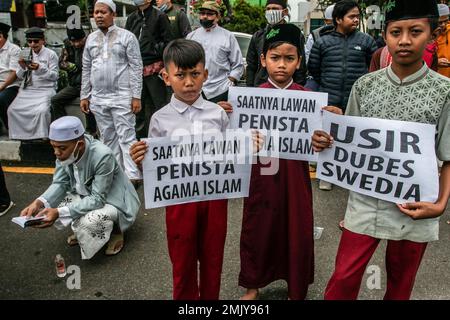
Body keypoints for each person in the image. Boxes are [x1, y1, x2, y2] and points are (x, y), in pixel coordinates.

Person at [312, 0, 450, 300]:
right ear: (384, 36)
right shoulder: (365, 85)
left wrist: (440, 205)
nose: (404, 40)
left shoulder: (444, 91)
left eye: (415, 31)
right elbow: (347, 145)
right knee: (344, 276)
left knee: (401, 282)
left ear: (432, 35)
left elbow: (448, 155)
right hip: (365, 199)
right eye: (395, 32)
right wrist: (327, 137)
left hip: (416, 204)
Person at [220, 23, 315, 300]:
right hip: (259, 175)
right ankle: (253, 285)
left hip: (296, 177)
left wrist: (327, 128)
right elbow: (233, 142)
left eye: (289, 58)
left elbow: (320, 146)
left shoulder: (308, 100)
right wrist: (224, 116)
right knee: (257, 227)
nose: (281, 65)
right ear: (263, 60)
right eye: (275, 58)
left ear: (299, 61)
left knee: (297, 228)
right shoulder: (249, 99)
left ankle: (296, 287)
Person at [130, 39, 230, 300]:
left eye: (195, 74)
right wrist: (140, 160)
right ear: (165, 77)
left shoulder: (218, 114)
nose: (188, 82)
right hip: (178, 202)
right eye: (180, 75)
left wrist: (248, 147)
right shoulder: (160, 119)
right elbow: (154, 168)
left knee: (212, 259)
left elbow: (231, 157)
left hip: (214, 199)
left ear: (205, 75)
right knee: (182, 263)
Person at [20, 116, 140, 259]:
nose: (56, 153)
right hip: (86, 194)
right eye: (54, 147)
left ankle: (117, 231)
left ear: (80, 145)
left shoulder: (103, 155)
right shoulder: (64, 153)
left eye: (61, 148)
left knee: (90, 221)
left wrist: (59, 212)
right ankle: (84, 232)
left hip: (111, 200)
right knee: (53, 204)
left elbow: (98, 199)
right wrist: (39, 202)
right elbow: (60, 183)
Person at [308, 0, 377, 191]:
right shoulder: (322, 42)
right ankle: (326, 175)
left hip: (355, 99)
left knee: (354, 138)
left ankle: (351, 177)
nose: (356, 20)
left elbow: (372, 68)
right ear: (338, 19)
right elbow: (314, 68)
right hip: (328, 97)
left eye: (357, 16)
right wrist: (328, 84)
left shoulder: (366, 41)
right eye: (351, 16)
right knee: (327, 137)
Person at [81, 0, 143, 183]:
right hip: (99, 97)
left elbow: (136, 67)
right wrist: (85, 95)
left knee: (127, 136)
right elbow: (86, 67)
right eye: (96, 13)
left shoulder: (127, 37)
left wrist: (136, 96)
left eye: (103, 12)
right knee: (108, 138)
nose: (98, 16)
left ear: (113, 14)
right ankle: (116, 175)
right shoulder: (91, 39)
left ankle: (132, 176)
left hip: (122, 96)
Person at [126, 0, 173, 139]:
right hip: (135, 71)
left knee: (159, 106)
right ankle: (140, 142)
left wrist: (163, 64)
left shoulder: (160, 16)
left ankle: (162, 141)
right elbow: (126, 41)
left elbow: (168, 41)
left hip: (154, 70)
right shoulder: (132, 18)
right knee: (137, 109)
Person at [187, 1, 244, 103]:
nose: (205, 17)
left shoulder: (228, 36)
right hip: (195, 90)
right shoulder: (191, 36)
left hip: (221, 90)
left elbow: (238, 64)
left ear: (217, 17)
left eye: (209, 14)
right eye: (202, 13)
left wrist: (231, 80)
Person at [8, 27, 59, 140]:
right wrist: (22, 67)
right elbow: (20, 76)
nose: (32, 44)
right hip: (28, 88)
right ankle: (20, 136)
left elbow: (55, 76)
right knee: (12, 110)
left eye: (36, 41)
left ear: (42, 41)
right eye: (30, 41)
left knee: (42, 111)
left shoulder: (51, 54)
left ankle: (42, 136)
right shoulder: (25, 53)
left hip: (45, 89)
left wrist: (40, 68)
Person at [246, 0, 307, 88]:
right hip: (261, 86)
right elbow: (251, 65)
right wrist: (250, 89)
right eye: (268, 9)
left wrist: (297, 88)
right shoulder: (258, 36)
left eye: (275, 8)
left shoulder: (294, 34)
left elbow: (301, 66)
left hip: (287, 87)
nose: (271, 12)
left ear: (285, 12)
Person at [51, 28, 97, 135]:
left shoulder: (91, 44)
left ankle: (92, 132)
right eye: (73, 41)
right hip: (75, 84)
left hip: (91, 84)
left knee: (87, 103)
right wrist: (71, 66)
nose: (76, 44)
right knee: (55, 100)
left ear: (84, 38)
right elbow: (61, 62)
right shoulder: (67, 45)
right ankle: (63, 128)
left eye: (79, 41)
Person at [0, 22, 21, 135]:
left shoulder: (14, 49)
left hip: (11, 86)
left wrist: (2, 87)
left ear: (1, 36)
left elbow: (14, 73)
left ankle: (11, 128)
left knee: (1, 98)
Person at [436, 3, 450, 77]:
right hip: (436, 76)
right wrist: (435, 62)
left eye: (446, 21)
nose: (443, 25)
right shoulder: (428, 35)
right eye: (440, 22)